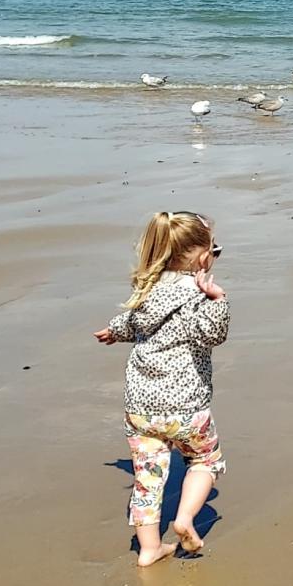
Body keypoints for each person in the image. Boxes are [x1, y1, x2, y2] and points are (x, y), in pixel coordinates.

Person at [94, 209, 229, 567]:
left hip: (141, 408)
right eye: (214, 251)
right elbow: (212, 335)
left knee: (148, 479)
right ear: (202, 257)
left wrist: (114, 331)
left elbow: (132, 322)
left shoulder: (147, 291)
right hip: (187, 406)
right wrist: (218, 300)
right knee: (203, 460)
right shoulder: (198, 294)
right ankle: (184, 519)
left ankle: (150, 549)